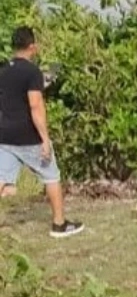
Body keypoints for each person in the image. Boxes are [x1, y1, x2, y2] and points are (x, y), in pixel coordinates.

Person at [0, 26, 84, 238]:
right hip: (28, 136)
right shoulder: (32, 72)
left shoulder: (4, 70)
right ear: (32, 47)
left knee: (1, 178)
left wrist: (41, 83)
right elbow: (35, 106)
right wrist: (45, 139)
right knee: (51, 176)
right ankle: (59, 224)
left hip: (5, 135)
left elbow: (14, 95)